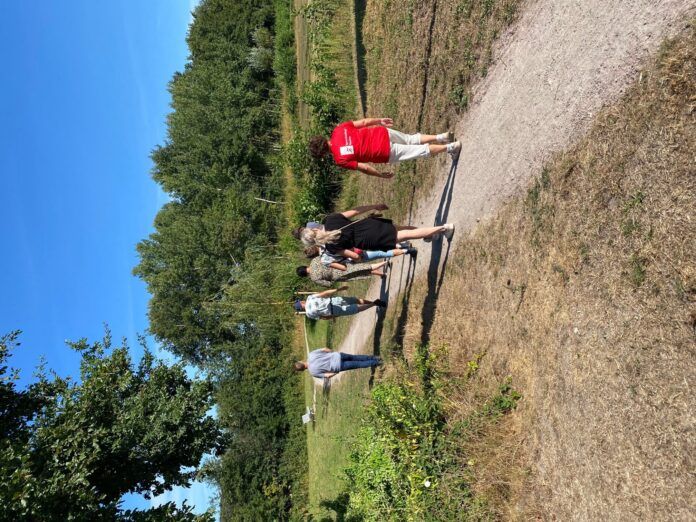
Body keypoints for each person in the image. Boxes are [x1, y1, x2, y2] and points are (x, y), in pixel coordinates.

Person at [308, 117, 462, 179]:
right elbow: (363, 123)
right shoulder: (338, 130)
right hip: (382, 133)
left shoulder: (339, 159)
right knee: (411, 139)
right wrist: (379, 121)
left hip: (383, 152)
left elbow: (364, 167)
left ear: (323, 154)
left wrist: (380, 175)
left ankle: (451, 147)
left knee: (420, 151)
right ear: (323, 138)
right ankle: (441, 137)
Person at [300, 204, 454, 255]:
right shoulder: (330, 219)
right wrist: (374, 206)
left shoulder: (330, 248)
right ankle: (428, 233)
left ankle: (443, 228)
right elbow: (355, 211)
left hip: (368, 240)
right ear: (313, 230)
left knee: (407, 235)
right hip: (367, 224)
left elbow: (353, 255)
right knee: (401, 230)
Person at [293, 286, 385, 320]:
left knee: (356, 309)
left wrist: (335, 316)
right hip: (333, 300)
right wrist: (338, 289)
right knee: (356, 300)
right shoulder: (310, 298)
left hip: (334, 311)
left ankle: (374, 304)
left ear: (301, 308)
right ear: (301, 303)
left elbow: (324, 318)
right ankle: (374, 302)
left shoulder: (309, 314)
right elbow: (324, 293)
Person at [296, 257, 388, 288]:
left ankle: (384, 263)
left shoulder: (314, 278)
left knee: (361, 272)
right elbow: (327, 257)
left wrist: (330, 277)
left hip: (340, 275)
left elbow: (328, 284)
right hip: (340, 264)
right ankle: (381, 274)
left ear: (304, 275)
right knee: (361, 267)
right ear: (304, 266)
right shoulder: (314, 260)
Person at [294, 347, 382, 379]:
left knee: (358, 364)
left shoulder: (313, 372)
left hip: (338, 366)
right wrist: (333, 352)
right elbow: (325, 349)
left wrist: (336, 372)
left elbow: (327, 376)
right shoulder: (311, 355)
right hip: (338, 356)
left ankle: (377, 362)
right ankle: (374, 358)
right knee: (355, 357)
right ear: (301, 362)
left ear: (303, 370)